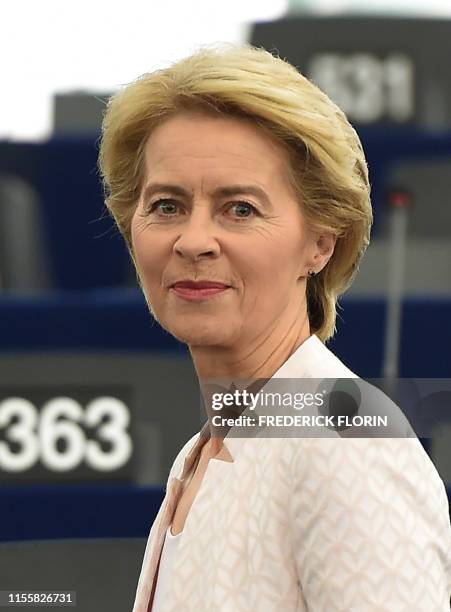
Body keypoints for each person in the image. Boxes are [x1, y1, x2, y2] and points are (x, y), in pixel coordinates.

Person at [98, 42, 451, 611]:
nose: (193, 240)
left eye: (240, 209)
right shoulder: (203, 451)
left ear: (319, 242)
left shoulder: (345, 441)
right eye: (166, 205)